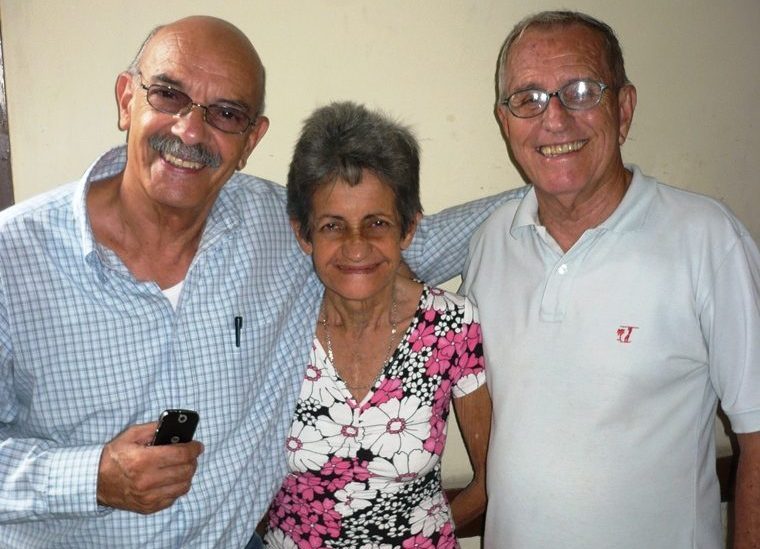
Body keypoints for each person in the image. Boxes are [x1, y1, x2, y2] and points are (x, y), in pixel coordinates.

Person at [0, 16, 507, 548]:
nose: (190, 131)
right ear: (127, 99)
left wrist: (553, 189)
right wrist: (91, 477)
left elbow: (391, 246)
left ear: (250, 139)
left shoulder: (278, 228)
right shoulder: (13, 258)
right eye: (169, 95)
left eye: (225, 113)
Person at [461, 10, 760, 549]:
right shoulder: (491, 242)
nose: (554, 119)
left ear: (623, 109)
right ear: (506, 123)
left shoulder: (708, 239)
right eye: (528, 98)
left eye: (580, 91)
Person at [263, 102, 491, 548]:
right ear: (304, 233)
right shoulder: (276, 326)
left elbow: (489, 480)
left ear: (407, 229)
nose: (356, 247)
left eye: (377, 223)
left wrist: (419, 536)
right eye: (333, 226)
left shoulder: (452, 326)